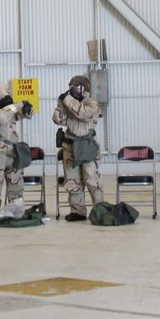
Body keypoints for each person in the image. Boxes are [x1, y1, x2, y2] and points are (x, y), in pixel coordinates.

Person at [0, 84, 32, 219]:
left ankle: (15, 209)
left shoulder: (10, 110)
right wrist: (16, 105)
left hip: (12, 151)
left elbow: (27, 115)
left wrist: (26, 108)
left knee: (16, 181)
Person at [53, 74, 102, 221]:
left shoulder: (92, 104)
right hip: (70, 145)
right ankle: (77, 211)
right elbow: (57, 119)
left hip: (86, 144)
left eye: (75, 88)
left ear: (84, 90)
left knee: (91, 179)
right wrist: (61, 103)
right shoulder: (68, 103)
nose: (72, 91)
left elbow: (83, 114)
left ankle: (100, 209)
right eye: (70, 88)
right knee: (72, 180)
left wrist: (68, 101)